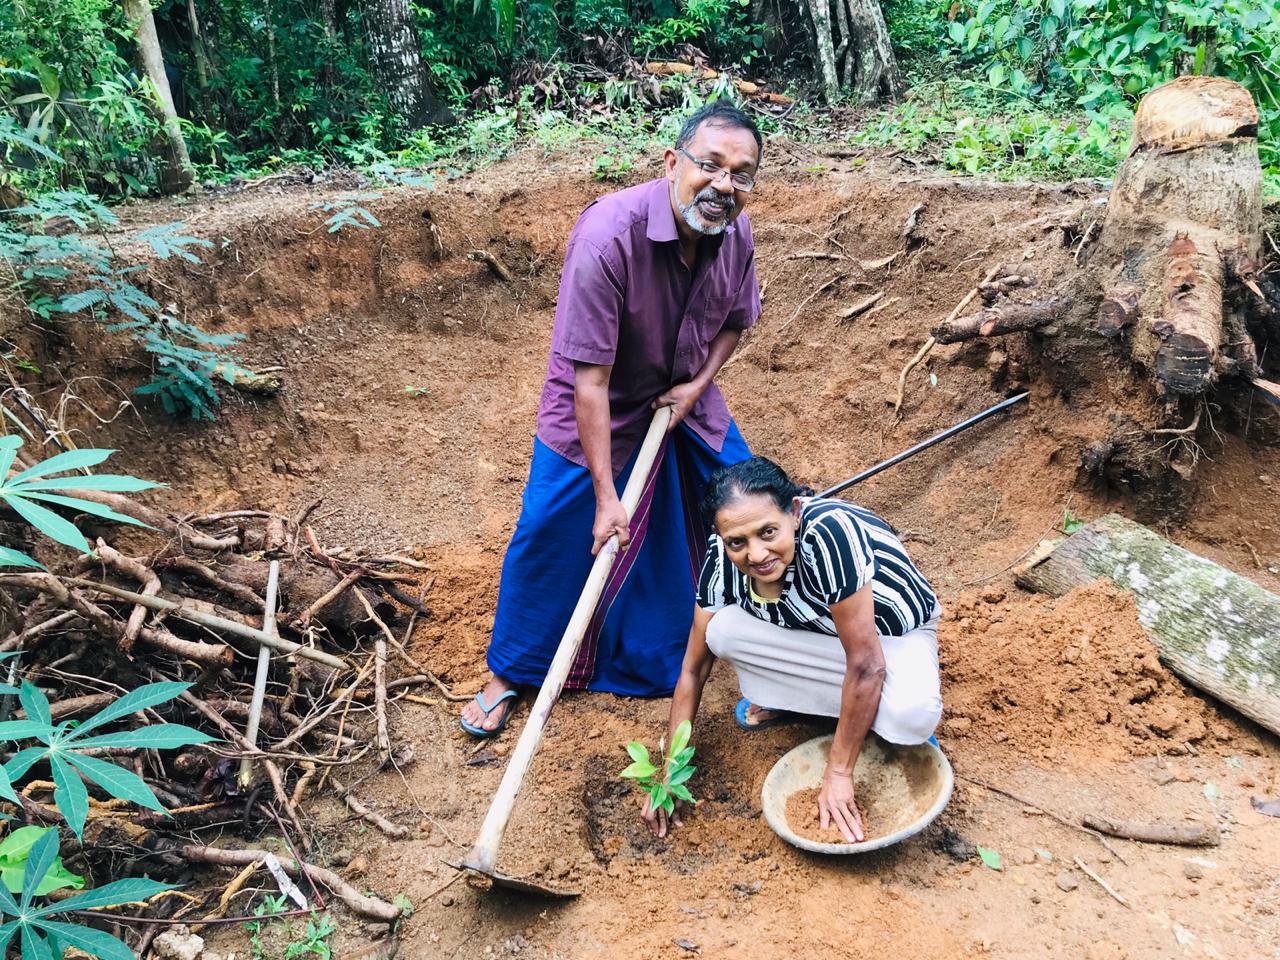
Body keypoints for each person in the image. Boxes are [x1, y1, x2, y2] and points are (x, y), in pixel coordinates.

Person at [461, 101, 765, 736]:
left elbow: (734, 324)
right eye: (710, 165)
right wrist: (605, 496)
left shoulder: (734, 234)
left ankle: (765, 644)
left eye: (741, 174)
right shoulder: (607, 237)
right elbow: (590, 382)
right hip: (598, 399)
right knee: (552, 526)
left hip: (684, 394)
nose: (723, 185)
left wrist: (696, 388)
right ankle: (511, 671)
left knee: (750, 502)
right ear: (673, 162)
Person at [640, 457, 943, 843]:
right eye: (737, 542)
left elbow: (867, 664)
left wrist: (838, 772)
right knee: (722, 631)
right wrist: (669, 772)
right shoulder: (721, 558)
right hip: (820, 634)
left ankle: (874, 712)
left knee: (912, 717)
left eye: (768, 532)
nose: (756, 554)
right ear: (720, 536)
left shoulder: (829, 535)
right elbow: (693, 669)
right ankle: (801, 705)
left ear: (794, 513)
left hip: (893, 637)